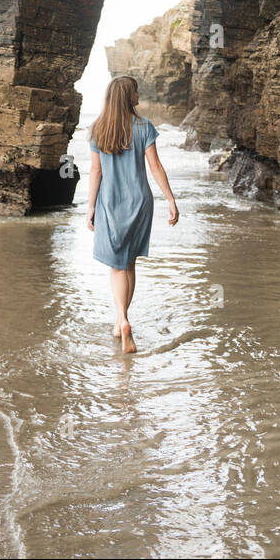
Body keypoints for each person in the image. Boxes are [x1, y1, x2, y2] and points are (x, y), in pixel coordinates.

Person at [86, 75, 178, 353]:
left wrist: (91, 207)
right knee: (130, 263)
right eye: (136, 90)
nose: (139, 94)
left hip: (109, 202)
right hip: (139, 201)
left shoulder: (97, 129)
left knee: (117, 265)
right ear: (128, 96)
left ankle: (122, 320)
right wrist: (171, 199)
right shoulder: (143, 127)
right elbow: (155, 167)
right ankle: (122, 320)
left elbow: (96, 171)